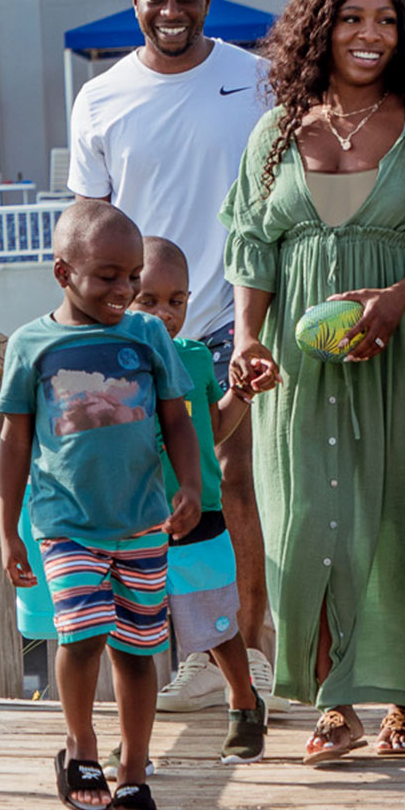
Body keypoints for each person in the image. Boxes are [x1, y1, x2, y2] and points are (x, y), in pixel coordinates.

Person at [222, 0, 405, 762]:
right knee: (309, 520)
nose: (370, 34)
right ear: (322, 27)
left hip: (404, 347)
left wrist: (396, 299)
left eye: (386, 20)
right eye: (353, 18)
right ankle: (332, 703)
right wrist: (247, 340)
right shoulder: (277, 132)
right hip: (301, 363)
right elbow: (252, 246)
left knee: (403, 521)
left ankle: (404, 705)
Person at [68, 0, 275, 716]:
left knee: (238, 488)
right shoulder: (101, 98)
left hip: (233, 314)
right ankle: (159, 658)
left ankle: (249, 645)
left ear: (207, 0)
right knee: (137, 496)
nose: (172, 10)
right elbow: (86, 220)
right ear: (136, 3)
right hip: (133, 329)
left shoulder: (255, 81)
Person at [0, 199, 204, 810]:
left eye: (133, 274)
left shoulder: (146, 337)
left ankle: (135, 770)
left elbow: (176, 420)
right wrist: (8, 529)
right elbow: (13, 441)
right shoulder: (32, 345)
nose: (126, 289)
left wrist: (190, 485)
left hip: (142, 520)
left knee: (138, 650)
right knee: (81, 633)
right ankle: (82, 749)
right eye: (108, 275)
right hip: (66, 524)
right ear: (64, 273)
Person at [135, 235, 267, 762]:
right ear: (123, 292)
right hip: (135, 519)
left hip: (199, 515)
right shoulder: (113, 362)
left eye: (177, 301)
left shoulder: (192, 357)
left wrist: (242, 394)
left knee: (214, 620)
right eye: (149, 299)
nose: (166, 314)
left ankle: (242, 699)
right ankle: (135, 742)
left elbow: (212, 429)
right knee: (135, 632)